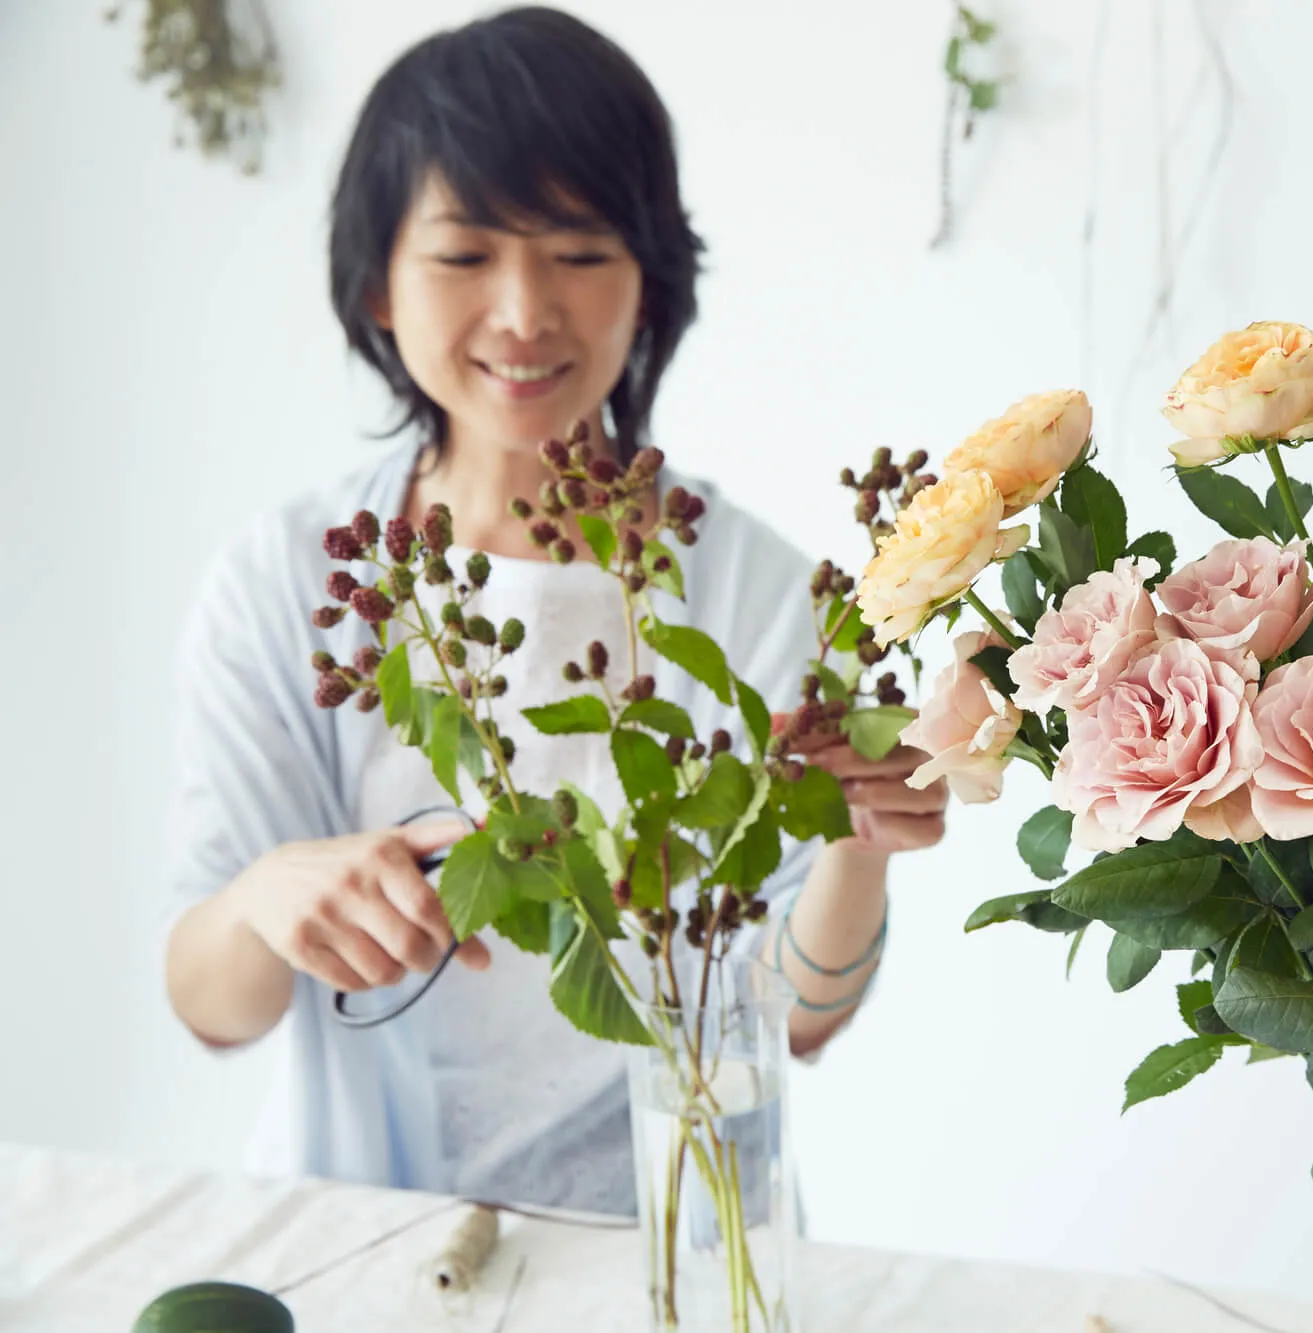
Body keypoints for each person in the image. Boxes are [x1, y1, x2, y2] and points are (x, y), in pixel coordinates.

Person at [160, 6, 943, 1215]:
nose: (525, 312)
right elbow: (212, 1006)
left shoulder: (750, 592)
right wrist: (266, 899)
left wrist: (855, 846)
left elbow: (796, 1020)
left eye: (579, 253)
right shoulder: (287, 582)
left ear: (650, 280)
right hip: (358, 1242)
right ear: (376, 282)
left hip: (674, 1244)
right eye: (466, 255)